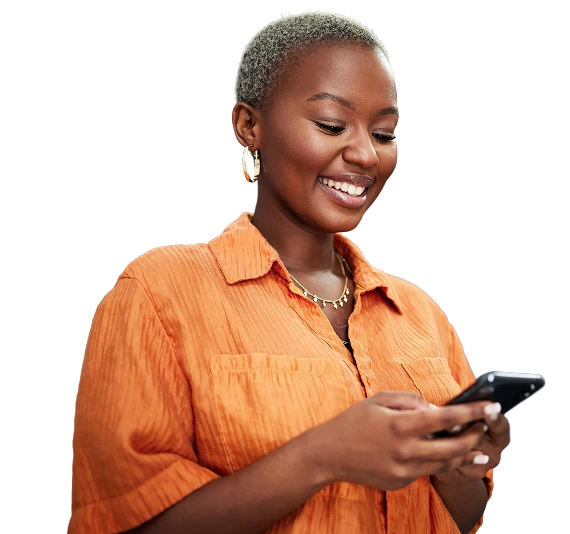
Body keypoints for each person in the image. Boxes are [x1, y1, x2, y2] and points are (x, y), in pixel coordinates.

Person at [67, 11, 512, 534]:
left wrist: (460, 469)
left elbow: (457, 518)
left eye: (384, 133)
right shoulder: (160, 292)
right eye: (331, 125)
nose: (366, 154)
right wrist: (322, 456)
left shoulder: (420, 314)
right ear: (249, 126)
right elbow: (122, 522)